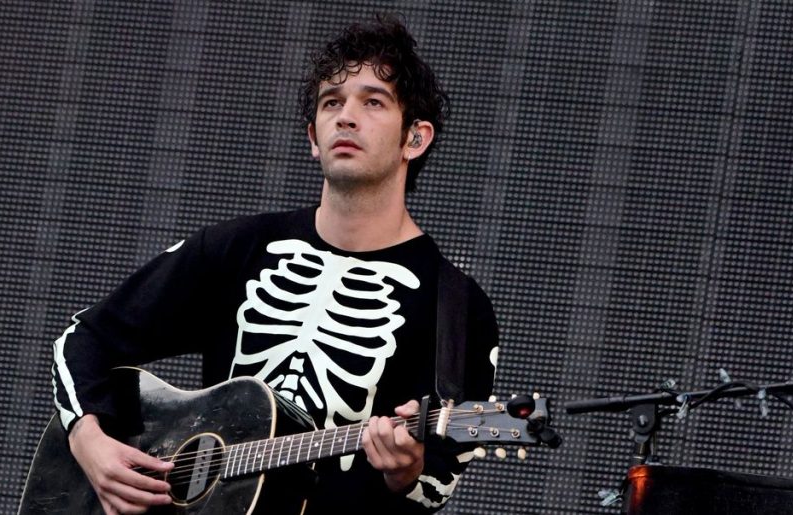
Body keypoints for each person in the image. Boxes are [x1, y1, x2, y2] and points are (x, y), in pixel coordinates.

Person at [51, 14, 498, 515]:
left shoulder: (456, 307)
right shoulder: (238, 249)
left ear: (414, 139)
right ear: (313, 137)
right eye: (332, 102)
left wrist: (408, 469)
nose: (346, 117)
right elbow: (83, 339)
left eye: (373, 102)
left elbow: (440, 481)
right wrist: (88, 440)